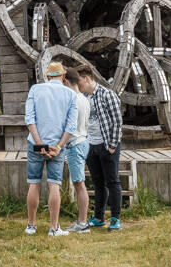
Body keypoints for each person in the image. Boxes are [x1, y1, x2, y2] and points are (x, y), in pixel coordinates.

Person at [23, 61, 78, 237]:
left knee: (34, 183)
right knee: (54, 184)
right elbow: (71, 126)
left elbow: (29, 119)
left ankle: (31, 226)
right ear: (63, 76)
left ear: (47, 76)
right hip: (56, 147)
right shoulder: (71, 94)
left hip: (35, 144)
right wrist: (59, 147)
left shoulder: (35, 90)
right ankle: (53, 228)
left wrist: (39, 144)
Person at [76, 66, 124, 231]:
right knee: (97, 183)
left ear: (87, 79)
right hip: (90, 145)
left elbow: (117, 122)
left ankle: (115, 219)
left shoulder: (107, 94)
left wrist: (112, 145)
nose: (78, 85)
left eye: (80, 81)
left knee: (112, 181)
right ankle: (98, 217)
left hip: (107, 145)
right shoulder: (83, 97)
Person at [61, 66, 92, 233]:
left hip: (75, 144)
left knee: (79, 184)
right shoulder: (84, 99)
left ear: (66, 81)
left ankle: (82, 222)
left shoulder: (72, 100)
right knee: (79, 183)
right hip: (83, 140)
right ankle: (82, 221)